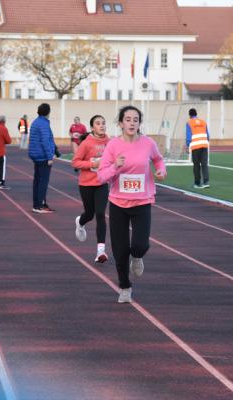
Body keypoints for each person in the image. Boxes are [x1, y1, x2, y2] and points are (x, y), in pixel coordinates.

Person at [97, 105, 166, 303]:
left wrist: (161, 172)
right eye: (127, 119)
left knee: (140, 244)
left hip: (142, 201)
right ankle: (125, 287)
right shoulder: (112, 146)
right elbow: (101, 176)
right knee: (119, 250)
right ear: (120, 123)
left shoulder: (148, 143)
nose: (132, 123)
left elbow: (159, 161)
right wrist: (115, 166)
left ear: (139, 123)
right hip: (118, 203)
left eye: (135, 119)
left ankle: (137, 257)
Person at [72, 115, 110, 263]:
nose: (101, 126)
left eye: (103, 123)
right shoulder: (86, 144)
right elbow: (75, 163)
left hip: (102, 184)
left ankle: (101, 251)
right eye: (98, 123)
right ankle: (80, 222)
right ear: (92, 127)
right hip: (86, 184)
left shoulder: (110, 142)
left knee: (100, 213)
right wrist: (91, 164)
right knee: (90, 213)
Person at [28, 103, 56, 213]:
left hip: (36, 155)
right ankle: (40, 205)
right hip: (43, 156)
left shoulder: (35, 122)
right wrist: (50, 156)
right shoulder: (44, 124)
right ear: (48, 112)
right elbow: (45, 141)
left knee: (37, 181)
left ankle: (37, 204)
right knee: (43, 182)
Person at [185, 108, 210, 189]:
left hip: (196, 146)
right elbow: (208, 135)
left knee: (196, 165)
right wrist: (206, 142)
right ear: (196, 114)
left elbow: (189, 136)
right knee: (204, 164)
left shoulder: (189, 122)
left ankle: (197, 183)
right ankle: (206, 182)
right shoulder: (203, 122)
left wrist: (187, 146)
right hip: (204, 145)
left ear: (190, 115)